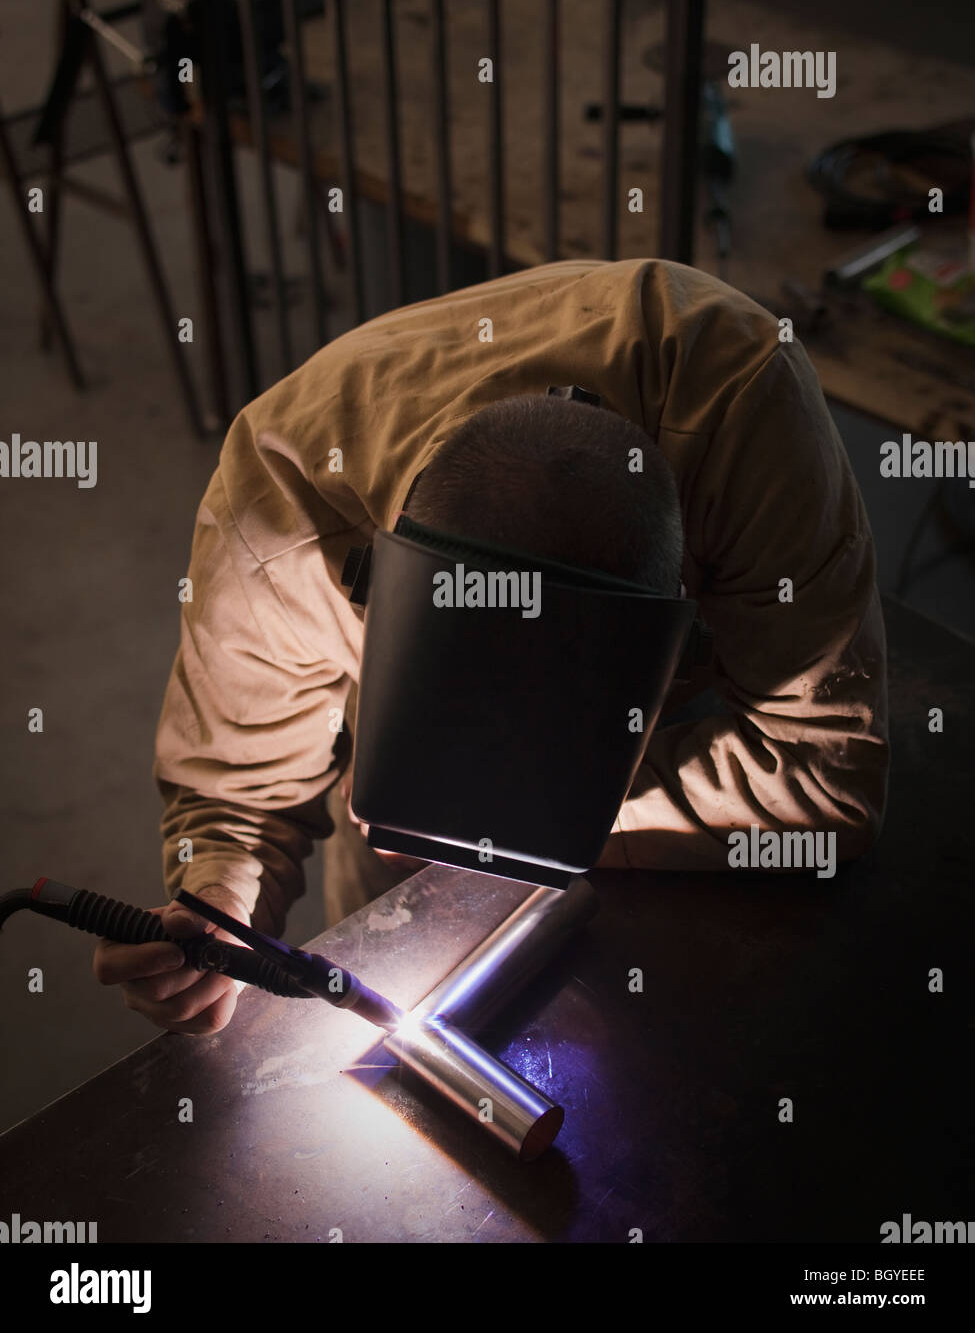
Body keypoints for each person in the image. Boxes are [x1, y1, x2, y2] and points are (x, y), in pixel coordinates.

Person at [92, 258, 889, 1033]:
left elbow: (822, 778)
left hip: (688, 751)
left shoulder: (742, 407)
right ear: (380, 587)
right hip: (403, 815)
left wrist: (553, 818)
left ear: (675, 603)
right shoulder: (279, 517)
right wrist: (222, 903)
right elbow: (236, 795)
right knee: (387, 1003)